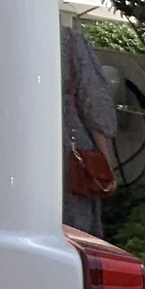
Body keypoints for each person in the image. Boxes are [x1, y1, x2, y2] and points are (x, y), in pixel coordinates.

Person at [60, 20, 118, 236]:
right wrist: (105, 162)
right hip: (69, 147)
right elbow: (95, 103)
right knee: (75, 232)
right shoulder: (69, 40)